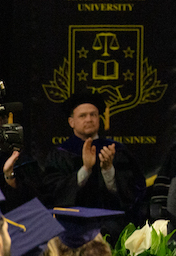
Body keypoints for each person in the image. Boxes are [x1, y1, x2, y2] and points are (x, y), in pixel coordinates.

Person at [40, 93, 144, 240]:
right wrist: (86, 169)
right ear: (71, 122)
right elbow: (52, 192)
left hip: (111, 222)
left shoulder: (115, 150)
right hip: (72, 222)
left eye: (93, 114)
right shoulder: (61, 153)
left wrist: (108, 170)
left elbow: (132, 192)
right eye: (82, 116)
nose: (89, 119)